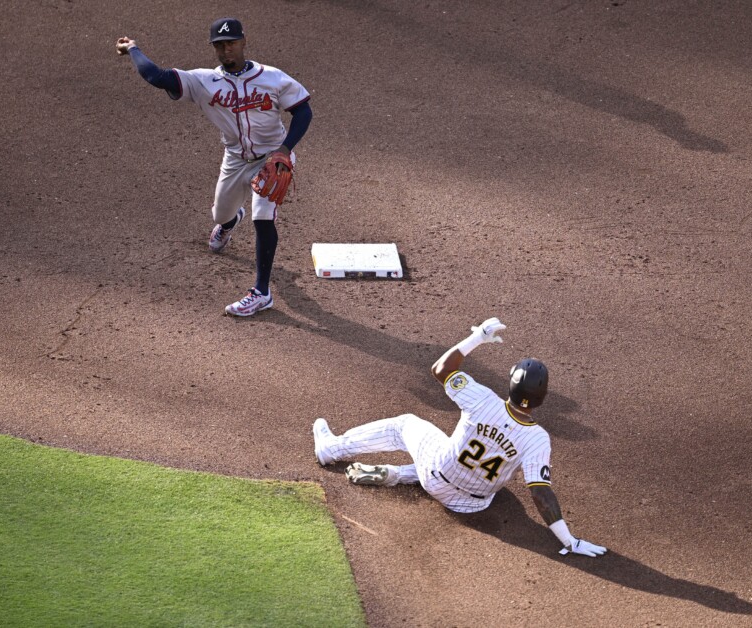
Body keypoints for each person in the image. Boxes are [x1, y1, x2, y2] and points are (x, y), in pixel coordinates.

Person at [312, 318, 607, 557]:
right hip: (474, 503)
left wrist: (478, 336)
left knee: (404, 426)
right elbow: (541, 493)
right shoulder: (538, 439)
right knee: (496, 480)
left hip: (436, 476)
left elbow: (441, 369)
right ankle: (396, 475)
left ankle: (331, 449)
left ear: (511, 386)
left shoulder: (481, 398)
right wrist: (570, 541)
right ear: (541, 399)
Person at [115, 18, 313, 316]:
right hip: (234, 160)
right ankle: (231, 222)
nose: (226, 50)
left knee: (264, 216)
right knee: (221, 214)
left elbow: (303, 110)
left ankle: (261, 292)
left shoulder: (272, 78)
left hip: (272, 158)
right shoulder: (203, 80)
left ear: (244, 41)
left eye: (231, 42)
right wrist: (133, 48)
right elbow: (156, 76)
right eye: (219, 45)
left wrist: (285, 150)